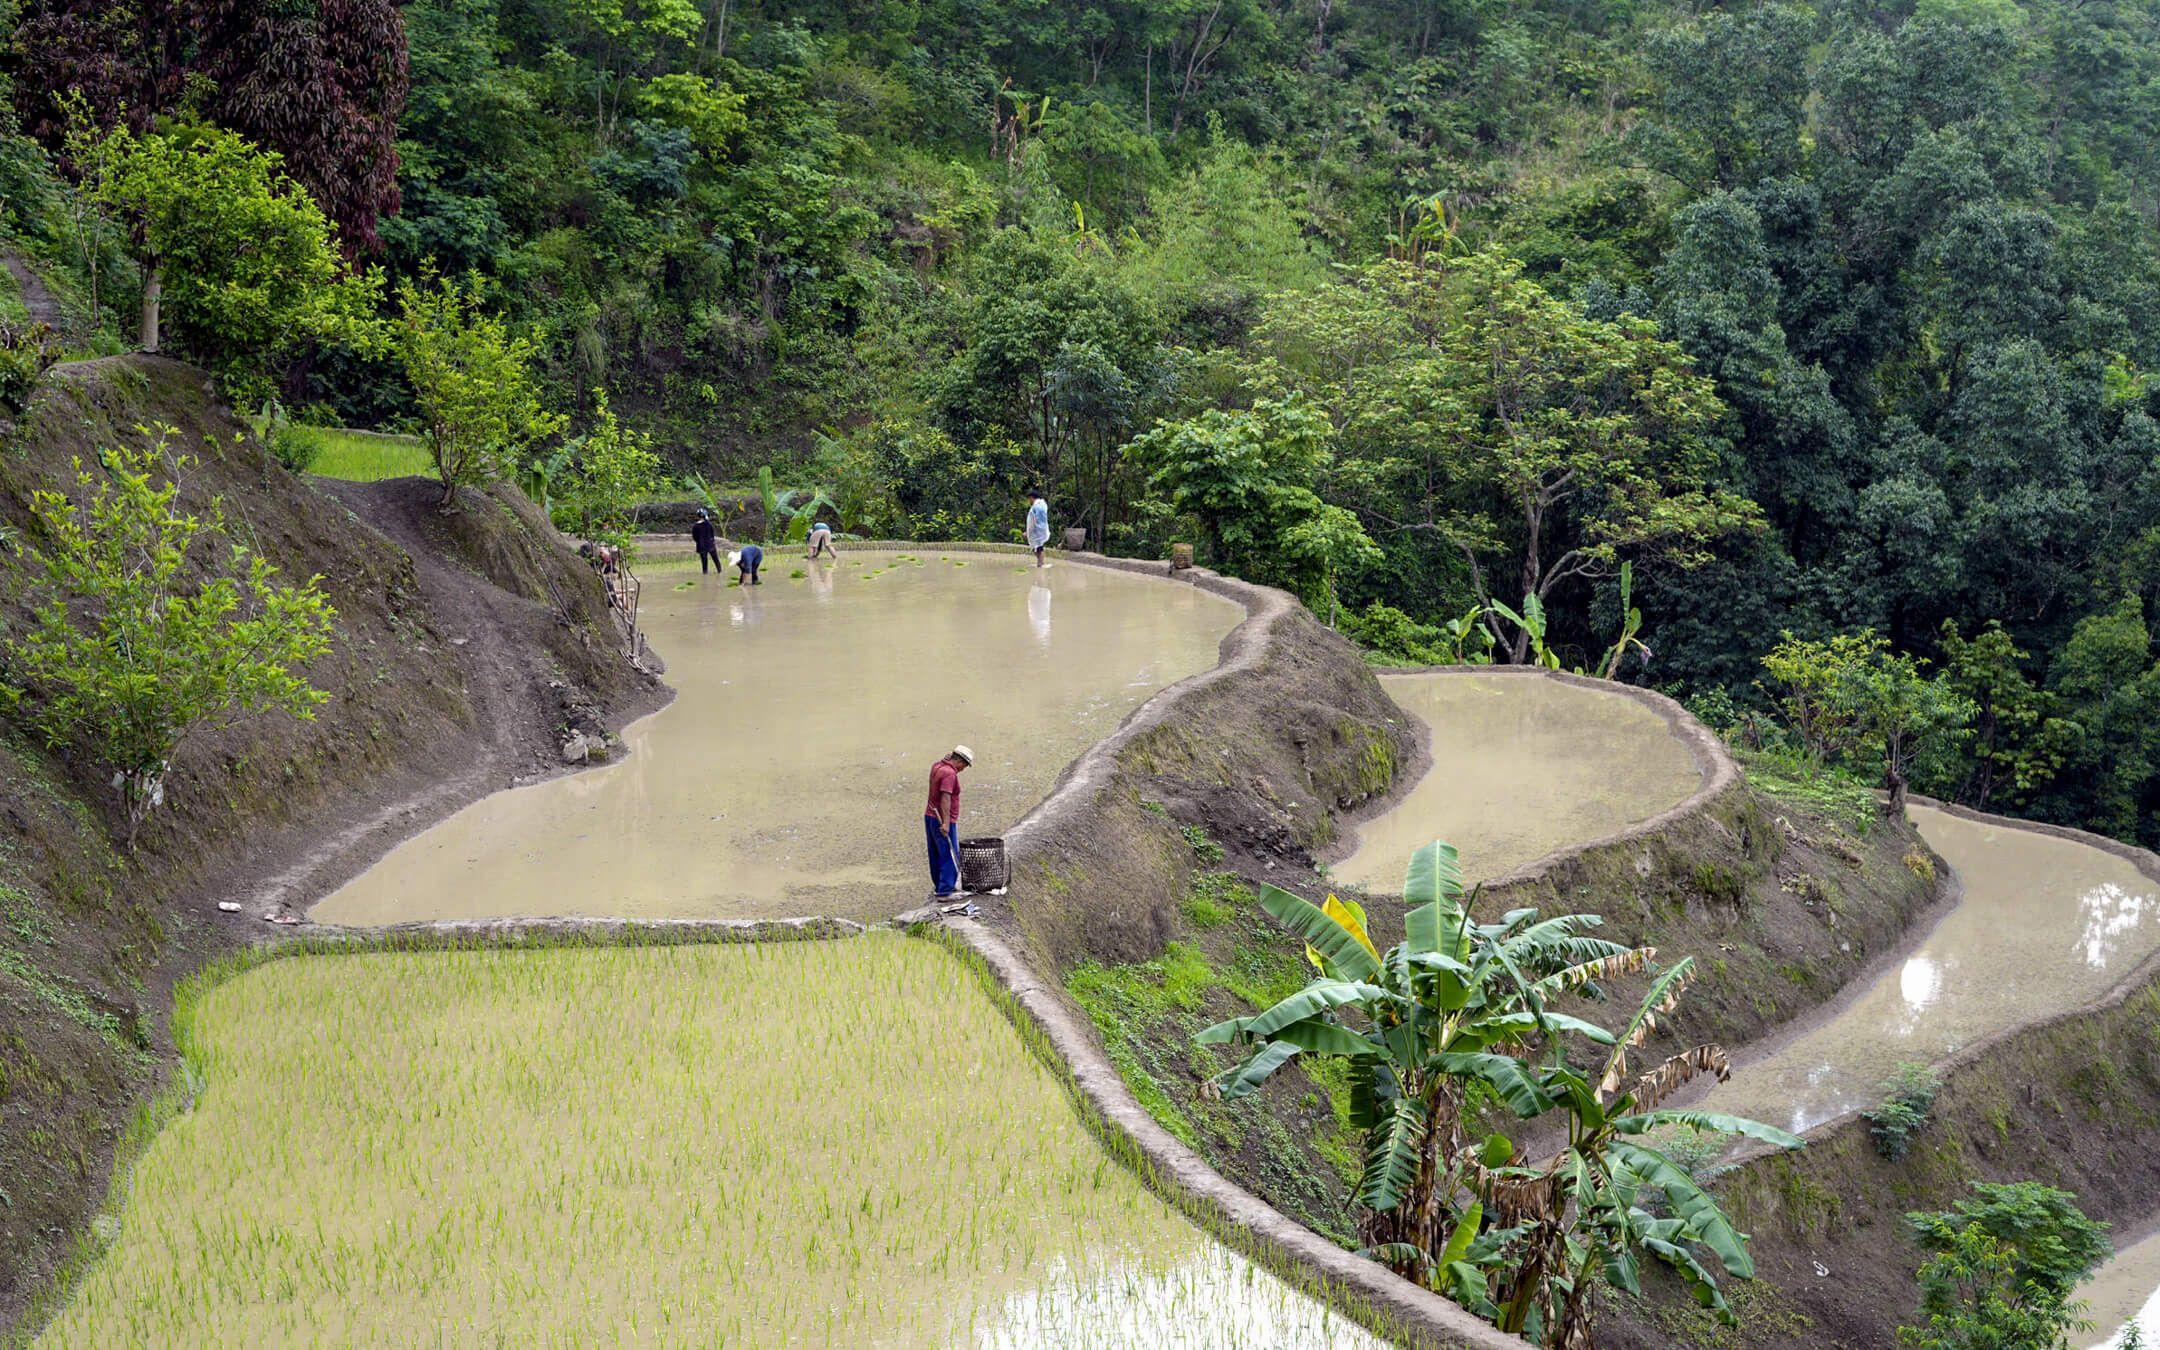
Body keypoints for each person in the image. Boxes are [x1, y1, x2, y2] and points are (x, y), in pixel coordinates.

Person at [924, 745, 973, 898]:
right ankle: (945, 891)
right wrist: (946, 823)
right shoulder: (949, 774)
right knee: (950, 854)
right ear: (960, 761)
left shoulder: (937, 766)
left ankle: (940, 886)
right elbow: (945, 798)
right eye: (964, 766)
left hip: (930, 815)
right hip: (943, 819)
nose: (962, 770)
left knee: (935, 852)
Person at [1024, 490, 1050, 568]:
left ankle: (1040, 564)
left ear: (1031, 498)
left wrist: (1028, 532)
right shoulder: (1041, 505)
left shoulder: (1037, 507)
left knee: (1039, 547)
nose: (1029, 501)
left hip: (1037, 531)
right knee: (1037, 547)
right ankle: (1040, 563)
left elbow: (1036, 521)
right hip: (1039, 530)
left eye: (1029, 499)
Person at [691, 509, 722, 574]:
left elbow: (695, 537)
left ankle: (705, 573)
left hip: (701, 546)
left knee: (704, 562)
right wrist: (712, 540)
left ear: (698, 516)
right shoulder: (708, 524)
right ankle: (720, 571)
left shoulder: (695, 526)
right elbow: (712, 533)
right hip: (710, 544)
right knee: (716, 560)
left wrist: (699, 542)